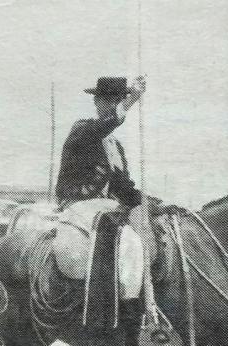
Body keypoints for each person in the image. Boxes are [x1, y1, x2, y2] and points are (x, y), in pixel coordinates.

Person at [55, 75, 161, 327]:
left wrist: (148, 201)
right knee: (124, 236)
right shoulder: (82, 131)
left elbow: (122, 186)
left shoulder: (114, 145)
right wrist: (130, 102)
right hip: (77, 202)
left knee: (148, 225)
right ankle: (125, 308)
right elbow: (106, 125)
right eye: (110, 101)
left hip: (104, 205)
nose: (114, 105)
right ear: (98, 103)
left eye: (118, 100)